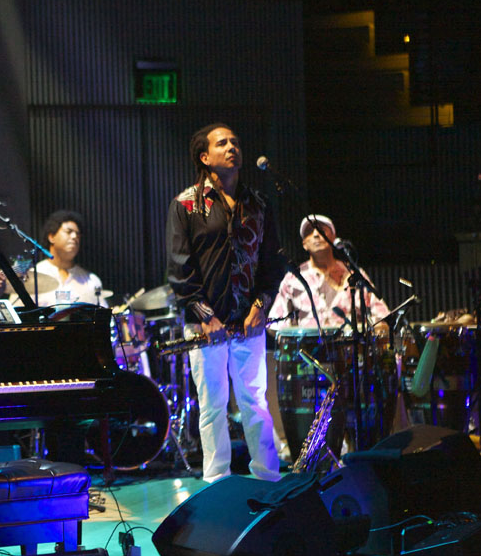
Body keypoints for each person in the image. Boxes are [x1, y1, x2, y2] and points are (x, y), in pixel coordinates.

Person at [166, 123, 284, 482]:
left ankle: (268, 478)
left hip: (249, 321)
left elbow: (272, 265)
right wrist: (204, 315)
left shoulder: (258, 204)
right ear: (205, 157)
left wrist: (260, 307)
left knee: (255, 402)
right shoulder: (185, 204)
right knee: (213, 406)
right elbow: (179, 268)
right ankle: (215, 482)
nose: (232, 147)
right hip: (206, 326)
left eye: (235, 141)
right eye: (222, 143)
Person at [269, 215, 390, 330]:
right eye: (309, 232)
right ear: (304, 244)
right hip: (308, 349)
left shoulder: (353, 275)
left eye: (321, 230)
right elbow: (274, 324)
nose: (316, 234)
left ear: (333, 237)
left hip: (348, 348)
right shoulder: (292, 279)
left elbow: (382, 316)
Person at [11, 209, 107, 307]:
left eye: (78, 234)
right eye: (69, 232)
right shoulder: (31, 277)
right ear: (52, 237)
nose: (74, 237)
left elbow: (103, 318)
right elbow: (16, 315)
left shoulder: (91, 280)